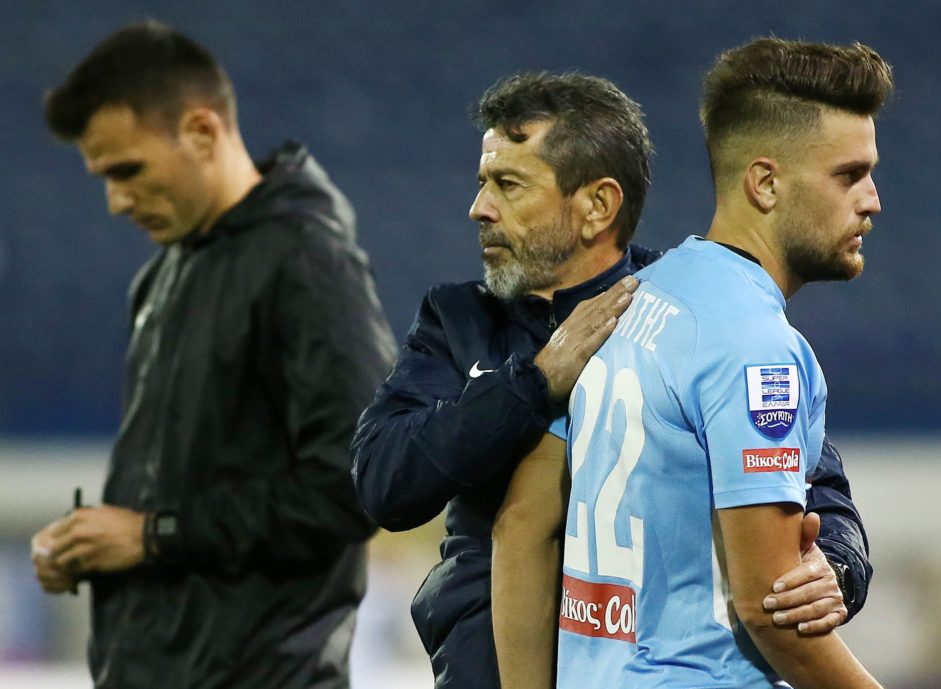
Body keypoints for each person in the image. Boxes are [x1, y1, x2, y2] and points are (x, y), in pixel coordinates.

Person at [352, 71, 873, 689]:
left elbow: (809, 475)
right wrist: (533, 383)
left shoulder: (675, 312)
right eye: (483, 183)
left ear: (598, 205)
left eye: (508, 185)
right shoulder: (460, 320)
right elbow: (385, 484)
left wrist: (835, 566)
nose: (480, 208)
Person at [492, 39, 893, 689]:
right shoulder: (756, 347)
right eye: (849, 175)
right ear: (765, 183)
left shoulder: (625, 302)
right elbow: (768, 608)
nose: (872, 200)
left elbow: (521, 529)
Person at [29, 21, 397, 689]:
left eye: (128, 170)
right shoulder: (165, 275)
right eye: (103, 177)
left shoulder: (307, 262)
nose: (115, 201)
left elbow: (357, 485)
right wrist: (92, 545)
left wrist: (151, 535)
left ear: (202, 131)